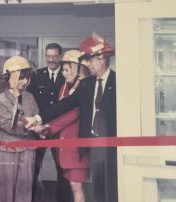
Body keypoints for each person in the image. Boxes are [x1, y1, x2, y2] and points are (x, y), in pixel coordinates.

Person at [26, 33, 117, 202]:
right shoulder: (88, 84)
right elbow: (66, 104)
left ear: (101, 58)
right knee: (95, 189)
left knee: (110, 188)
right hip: (90, 145)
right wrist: (38, 117)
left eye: (89, 60)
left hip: (110, 147)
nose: (86, 65)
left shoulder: (117, 81)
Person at [34, 49, 90, 202]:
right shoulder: (65, 87)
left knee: (76, 186)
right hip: (63, 146)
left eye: (66, 70)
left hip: (75, 145)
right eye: (63, 70)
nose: (63, 73)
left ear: (78, 69)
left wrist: (47, 127)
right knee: (68, 186)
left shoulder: (84, 88)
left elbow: (73, 113)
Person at [27, 43, 72, 202]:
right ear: (45, 56)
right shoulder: (36, 75)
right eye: (48, 56)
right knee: (33, 167)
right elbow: (29, 102)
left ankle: (63, 199)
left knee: (63, 167)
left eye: (55, 56)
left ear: (60, 56)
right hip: (39, 129)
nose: (51, 59)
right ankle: (31, 198)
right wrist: (37, 126)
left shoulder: (68, 75)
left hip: (61, 129)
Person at [0, 56, 40, 202]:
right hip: (8, 149)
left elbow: (36, 115)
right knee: (7, 189)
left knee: (26, 189)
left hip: (28, 149)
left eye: (27, 78)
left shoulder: (30, 96)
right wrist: (30, 125)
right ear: (11, 77)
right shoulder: (0, 100)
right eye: (21, 78)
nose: (25, 82)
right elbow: (8, 125)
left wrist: (41, 128)